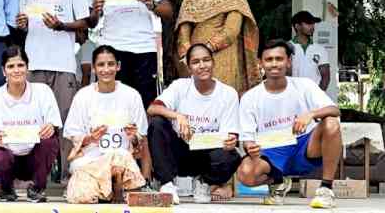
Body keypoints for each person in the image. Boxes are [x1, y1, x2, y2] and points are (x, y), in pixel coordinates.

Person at [16, 0, 90, 182]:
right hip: (34, 62)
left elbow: (85, 21)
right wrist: (21, 24)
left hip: (63, 64)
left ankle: (70, 175)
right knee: (32, 121)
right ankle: (35, 176)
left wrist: (61, 26)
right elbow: (23, 24)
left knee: (66, 122)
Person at [236, 39, 341, 209]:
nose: (274, 64)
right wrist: (251, 147)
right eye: (269, 59)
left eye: (279, 58)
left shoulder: (305, 85)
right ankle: (278, 181)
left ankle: (326, 189)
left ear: (289, 61)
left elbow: (335, 110)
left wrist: (310, 114)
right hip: (271, 151)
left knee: (331, 123)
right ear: (260, 63)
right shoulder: (250, 97)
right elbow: (247, 138)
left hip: (304, 146)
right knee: (245, 174)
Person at [147, 43, 241, 204]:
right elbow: (152, 108)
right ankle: (167, 184)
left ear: (213, 62)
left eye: (206, 60)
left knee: (231, 156)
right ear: (189, 67)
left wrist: (231, 141)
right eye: (196, 62)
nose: (202, 66)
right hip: (180, 153)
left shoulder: (228, 93)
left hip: (207, 156)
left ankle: (203, 182)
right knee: (157, 123)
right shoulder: (180, 86)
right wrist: (178, 116)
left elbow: (230, 134)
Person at [64, 45, 151, 204]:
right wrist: (90, 138)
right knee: (82, 197)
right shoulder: (83, 96)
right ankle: (107, 188)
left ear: (118, 66)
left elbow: (142, 141)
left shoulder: (131, 95)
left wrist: (133, 137)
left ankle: (117, 184)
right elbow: (72, 135)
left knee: (119, 157)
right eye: (101, 65)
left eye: (110, 64)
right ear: (94, 68)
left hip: (122, 160)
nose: (106, 69)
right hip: (90, 161)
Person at [0, 46, 62, 202]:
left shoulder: (43, 92)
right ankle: (6, 188)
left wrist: (51, 127)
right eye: (11, 66)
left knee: (49, 141)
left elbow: (55, 124)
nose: (16, 70)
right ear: (3, 71)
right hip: (8, 156)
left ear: (27, 68)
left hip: (34, 157)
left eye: (20, 65)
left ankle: (37, 188)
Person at [175, 0, 260, 95]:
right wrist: (189, 52)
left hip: (224, 53)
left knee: (223, 96)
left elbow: (231, 30)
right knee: (196, 98)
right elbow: (184, 30)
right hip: (195, 56)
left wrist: (206, 49)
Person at [290, 10, 331, 92]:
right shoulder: (287, 47)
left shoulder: (320, 49)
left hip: (313, 97)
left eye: (313, 23)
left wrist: (318, 96)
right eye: (308, 23)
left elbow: (326, 77)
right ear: (297, 26)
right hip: (293, 97)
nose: (312, 26)